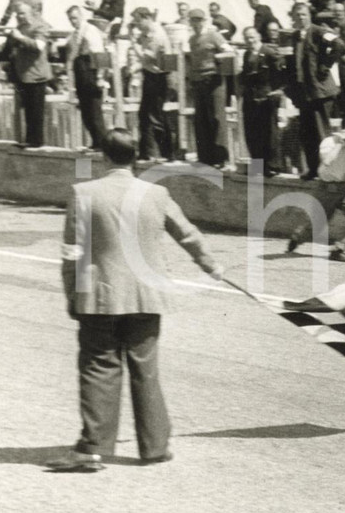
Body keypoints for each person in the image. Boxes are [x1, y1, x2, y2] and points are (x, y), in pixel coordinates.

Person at [49, 128, 224, 472]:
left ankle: (92, 447)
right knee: (146, 369)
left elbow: (72, 252)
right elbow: (186, 233)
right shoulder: (157, 194)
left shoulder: (84, 193)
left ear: (104, 156)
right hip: (148, 293)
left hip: (100, 295)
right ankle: (155, 446)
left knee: (99, 366)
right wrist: (211, 265)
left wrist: (72, 293)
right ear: (137, 158)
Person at [286, 116, 345, 261]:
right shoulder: (329, 142)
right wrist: (341, 143)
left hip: (344, 189)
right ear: (344, 128)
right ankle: (298, 237)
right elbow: (327, 161)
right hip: (327, 189)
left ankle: (338, 248)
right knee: (318, 227)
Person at [285, 2, 345, 180]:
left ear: (309, 15)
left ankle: (327, 171)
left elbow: (339, 45)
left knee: (321, 133)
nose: (300, 18)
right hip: (304, 94)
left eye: (303, 14)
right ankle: (313, 169)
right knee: (307, 133)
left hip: (320, 92)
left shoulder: (318, 31)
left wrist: (324, 66)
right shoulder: (294, 36)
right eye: (297, 15)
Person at [187, 7, 233, 167]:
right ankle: (205, 157)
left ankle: (220, 158)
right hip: (198, 82)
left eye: (199, 20)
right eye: (193, 20)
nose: (196, 23)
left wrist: (218, 61)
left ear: (204, 21)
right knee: (201, 119)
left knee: (217, 119)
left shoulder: (214, 35)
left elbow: (228, 51)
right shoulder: (192, 40)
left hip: (214, 81)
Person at [240, 26, 284, 176]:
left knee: (269, 132)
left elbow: (281, 70)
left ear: (258, 36)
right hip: (251, 98)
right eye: (247, 38)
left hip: (266, 97)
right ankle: (258, 166)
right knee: (252, 133)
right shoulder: (247, 54)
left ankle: (273, 166)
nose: (250, 40)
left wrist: (278, 90)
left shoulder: (268, 52)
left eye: (252, 37)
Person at [132, 6, 174, 161]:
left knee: (156, 116)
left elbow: (147, 56)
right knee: (144, 114)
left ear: (146, 18)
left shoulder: (157, 34)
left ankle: (166, 153)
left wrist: (133, 44)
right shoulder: (145, 34)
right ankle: (147, 152)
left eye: (138, 21)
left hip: (158, 78)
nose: (136, 25)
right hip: (149, 76)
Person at [8, 2, 52, 148]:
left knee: (36, 112)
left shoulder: (40, 26)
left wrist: (20, 37)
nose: (19, 16)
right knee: (28, 111)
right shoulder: (20, 28)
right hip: (24, 75)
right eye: (18, 14)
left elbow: (39, 46)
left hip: (37, 75)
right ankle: (29, 140)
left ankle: (36, 141)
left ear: (30, 13)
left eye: (22, 13)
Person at [65, 5, 107, 151]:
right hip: (81, 73)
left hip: (91, 72)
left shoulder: (90, 30)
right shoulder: (75, 33)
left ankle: (102, 144)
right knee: (86, 111)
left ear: (81, 16)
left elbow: (100, 55)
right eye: (70, 19)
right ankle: (96, 142)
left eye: (75, 18)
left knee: (94, 111)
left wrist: (100, 77)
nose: (72, 21)